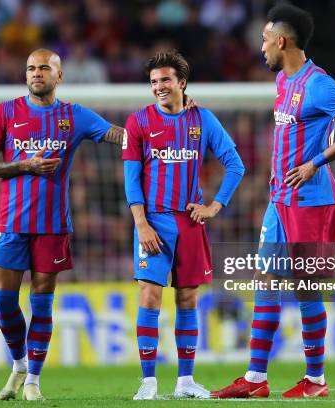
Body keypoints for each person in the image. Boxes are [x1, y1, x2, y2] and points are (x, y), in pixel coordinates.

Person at [211, 4, 335, 399]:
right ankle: (254, 378)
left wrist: (315, 162)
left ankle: (315, 380)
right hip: (278, 201)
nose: (261, 48)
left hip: (310, 202)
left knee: (306, 287)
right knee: (265, 279)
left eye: (265, 40)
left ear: (281, 41)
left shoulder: (318, 83)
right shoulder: (284, 81)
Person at [0, 48, 124, 401]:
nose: (36, 73)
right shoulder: (6, 112)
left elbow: (117, 135)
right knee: (4, 301)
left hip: (53, 226)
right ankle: (19, 363)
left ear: (59, 76)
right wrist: (25, 165)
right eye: (31, 68)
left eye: (44, 68)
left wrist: (157, 124)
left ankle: (33, 381)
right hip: (10, 223)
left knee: (41, 305)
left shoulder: (75, 116)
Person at [122, 50, 245, 400]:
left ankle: (185, 382)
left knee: (188, 300)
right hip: (154, 223)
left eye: (165, 80)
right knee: (149, 294)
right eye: (154, 82)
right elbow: (131, 179)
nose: (159, 87)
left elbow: (235, 165)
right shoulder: (139, 122)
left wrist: (214, 206)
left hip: (190, 223)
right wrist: (141, 224)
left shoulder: (202, 120)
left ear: (181, 83)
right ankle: (148, 382)